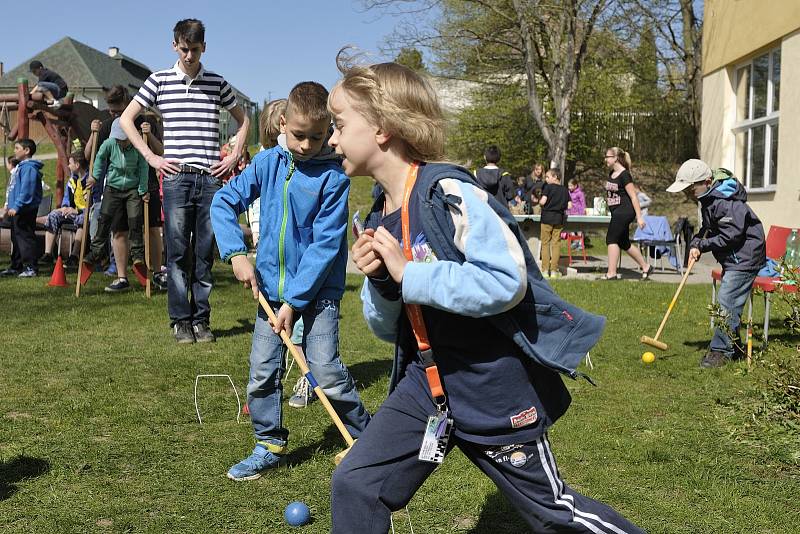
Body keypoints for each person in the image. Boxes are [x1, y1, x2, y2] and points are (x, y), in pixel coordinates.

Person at [332, 55, 643, 534]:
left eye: (339, 124)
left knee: (552, 513)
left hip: (490, 387)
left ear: (382, 128)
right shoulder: (376, 215)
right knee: (356, 483)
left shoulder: (449, 192)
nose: (332, 139)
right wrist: (381, 281)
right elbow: (382, 326)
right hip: (428, 387)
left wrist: (408, 273)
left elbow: (504, 282)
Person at [211, 81, 370, 481]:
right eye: (299, 135)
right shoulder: (267, 164)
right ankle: (268, 442)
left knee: (326, 369)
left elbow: (324, 247)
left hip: (316, 294)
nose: (306, 145)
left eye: (317, 137)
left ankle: (366, 441)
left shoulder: (334, 178)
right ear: (283, 123)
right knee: (263, 371)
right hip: (270, 291)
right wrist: (235, 253)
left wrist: (295, 302)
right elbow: (223, 202)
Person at [120, 18, 250, 342]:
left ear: (204, 47)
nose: (188, 55)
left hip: (210, 178)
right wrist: (151, 157)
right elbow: (126, 119)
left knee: (204, 252)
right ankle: (180, 320)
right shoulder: (159, 80)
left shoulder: (217, 83)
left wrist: (234, 155)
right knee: (177, 252)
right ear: (174, 45)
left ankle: (201, 320)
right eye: (183, 48)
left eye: (194, 49)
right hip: (176, 178)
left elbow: (243, 118)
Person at [666, 160, 766, 368]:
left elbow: (731, 235)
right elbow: (708, 228)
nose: (689, 193)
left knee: (726, 301)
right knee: (729, 302)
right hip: (735, 257)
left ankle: (721, 352)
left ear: (708, 181)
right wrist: (696, 242)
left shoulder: (726, 201)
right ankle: (736, 348)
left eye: (692, 187)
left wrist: (704, 244)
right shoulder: (710, 199)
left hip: (745, 257)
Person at [86, 86, 165, 285]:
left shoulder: (146, 122)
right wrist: (92, 134)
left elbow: (161, 152)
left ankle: (157, 273)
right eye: (111, 111)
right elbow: (91, 155)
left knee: (153, 228)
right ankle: (122, 277)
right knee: (120, 230)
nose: (114, 114)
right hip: (117, 188)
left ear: (128, 103)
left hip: (146, 184)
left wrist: (150, 135)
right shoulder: (108, 125)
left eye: (117, 110)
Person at [81, 119, 149, 293]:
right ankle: (96, 251)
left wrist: (143, 190)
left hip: (132, 189)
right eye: (118, 139)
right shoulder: (109, 144)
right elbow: (98, 159)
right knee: (104, 219)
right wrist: (94, 177)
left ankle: (137, 256)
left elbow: (143, 167)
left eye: (123, 139)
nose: (120, 142)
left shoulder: (137, 146)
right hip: (113, 188)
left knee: (135, 220)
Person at [602, 147, 653, 280]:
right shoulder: (611, 174)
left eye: (607, 157)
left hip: (624, 211)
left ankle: (611, 273)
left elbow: (634, 197)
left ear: (615, 158)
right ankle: (646, 266)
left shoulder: (625, 175)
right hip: (616, 211)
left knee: (611, 239)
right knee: (624, 242)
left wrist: (639, 217)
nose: (605, 159)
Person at [249, 98, 287, 247]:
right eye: (270, 141)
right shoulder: (263, 158)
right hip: (268, 229)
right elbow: (256, 196)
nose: (274, 147)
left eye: (278, 141)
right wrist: (256, 228)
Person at [40, 151, 89, 267]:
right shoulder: (73, 180)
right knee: (53, 215)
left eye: (70, 163)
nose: (68, 166)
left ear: (77, 165)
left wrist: (78, 211)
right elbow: (67, 197)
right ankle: (48, 254)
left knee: (83, 220)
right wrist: (65, 207)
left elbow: (95, 204)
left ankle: (74, 256)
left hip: (86, 213)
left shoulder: (90, 181)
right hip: (72, 211)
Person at [1, 139, 43, 278]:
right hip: (16, 210)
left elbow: (27, 191)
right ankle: (16, 265)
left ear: (27, 151)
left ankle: (31, 267)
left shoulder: (29, 168)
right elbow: (13, 189)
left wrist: (17, 206)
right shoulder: (21, 167)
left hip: (25, 210)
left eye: (17, 148)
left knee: (25, 238)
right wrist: (8, 206)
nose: (15, 150)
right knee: (16, 238)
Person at [538, 168, 569, 278]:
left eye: (548, 177)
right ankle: (555, 270)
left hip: (547, 218)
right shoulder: (565, 190)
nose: (546, 179)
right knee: (556, 244)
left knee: (545, 243)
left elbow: (543, 201)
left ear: (555, 177)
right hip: (559, 219)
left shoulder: (548, 188)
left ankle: (545, 270)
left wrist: (539, 201)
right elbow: (569, 205)